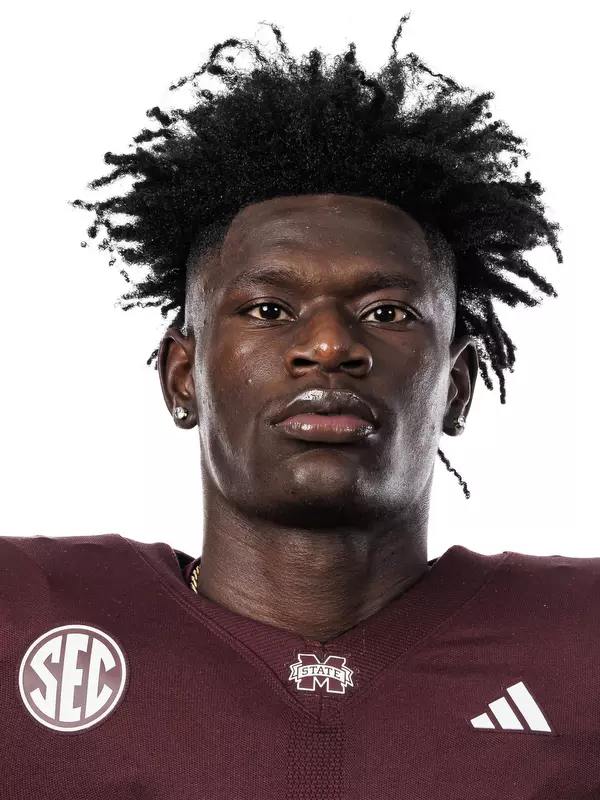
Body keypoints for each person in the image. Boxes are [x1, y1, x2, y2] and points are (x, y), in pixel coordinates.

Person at [2, 15, 597, 800]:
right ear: (182, 375)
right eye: (269, 310)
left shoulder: (580, 644)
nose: (328, 346)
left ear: (457, 387)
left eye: (388, 313)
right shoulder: (23, 613)